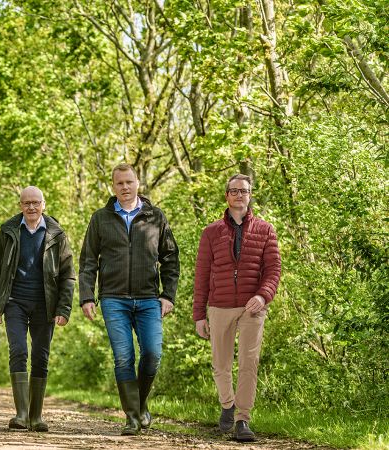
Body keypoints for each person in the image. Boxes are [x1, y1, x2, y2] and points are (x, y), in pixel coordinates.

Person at [79, 163, 180, 435]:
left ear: (138, 183)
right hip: (113, 299)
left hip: (148, 298)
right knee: (123, 357)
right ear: (113, 187)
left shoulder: (155, 216)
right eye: (119, 183)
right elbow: (88, 260)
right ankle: (133, 418)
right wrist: (87, 296)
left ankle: (140, 404)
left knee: (153, 353)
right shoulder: (100, 218)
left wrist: (168, 295)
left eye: (129, 182)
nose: (125, 187)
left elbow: (170, 258)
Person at [193, 174, 281, 442]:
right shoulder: (211, 232)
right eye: (234, 191)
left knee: (248, 362)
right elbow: (202, 274)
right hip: (219, 306)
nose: (239, 195)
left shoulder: (266, 230)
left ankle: (243, 419)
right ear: (227, 195)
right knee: (220, 364)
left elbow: (273, 270)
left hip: (252, 307)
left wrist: (263, 296)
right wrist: (199, 315)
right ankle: (227, 404)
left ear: (250, 195)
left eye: (244, 191)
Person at [0, 186, 75, 432]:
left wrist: (63, 308)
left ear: (43, 205)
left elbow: (68, 274)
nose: (31, 207)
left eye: (36, 202)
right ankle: (21, 415)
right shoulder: (8, 231)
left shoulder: (57, 234)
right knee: (18, 350)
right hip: (14, 301)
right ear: (20, 206)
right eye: (27, 203)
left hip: (45, 304)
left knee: (40, 356)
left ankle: (36, 417)